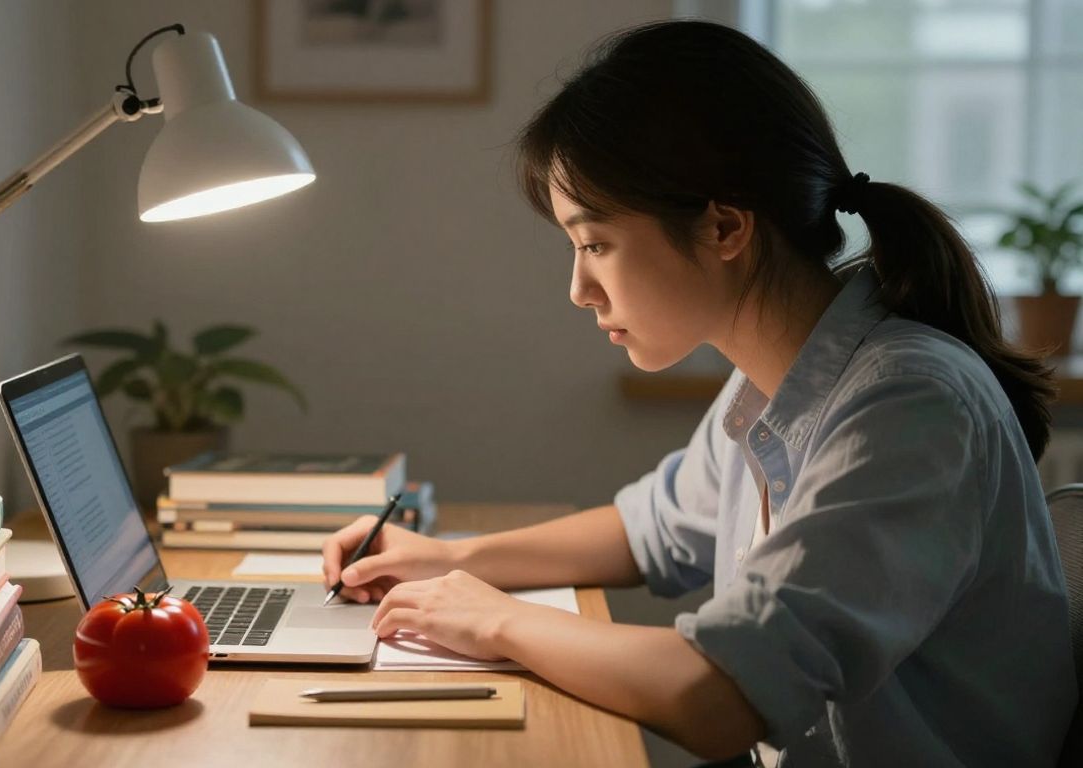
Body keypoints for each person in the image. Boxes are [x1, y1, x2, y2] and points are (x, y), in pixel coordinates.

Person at [320, 19, 1078, 767]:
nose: (580, 289)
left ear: (724, 227)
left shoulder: (908, 404)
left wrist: (494, 622)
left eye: (595, 245)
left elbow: (720, 698)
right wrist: (451, 558)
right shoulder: (773, 378)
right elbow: (649, 529)